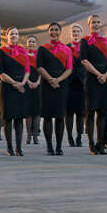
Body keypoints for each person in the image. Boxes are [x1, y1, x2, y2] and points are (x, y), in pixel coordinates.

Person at [37, 22, 73, 155]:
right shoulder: (42, 49)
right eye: (51, 30)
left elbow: (69, 69)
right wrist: (51, 79)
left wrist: (58, 80)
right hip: (46, 85)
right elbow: (39, 67)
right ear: (48, 32)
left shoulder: (67, 49)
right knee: (47, 117)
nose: (54, 32)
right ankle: (49, 146)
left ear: (60, 31)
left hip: (61, 85)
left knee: (59, 117)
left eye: (56, 30)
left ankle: (58, 146)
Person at [79, 14, 107, 155]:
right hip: (92, 80)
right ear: (89, 24)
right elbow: (84, 61)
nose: (96, 24)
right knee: (91, 112)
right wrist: (98, 74)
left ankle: (101, 144)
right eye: (93, 22)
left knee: (103, 112)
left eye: (98, 22)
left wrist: (106, 74)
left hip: (104, 80)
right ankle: (92, 144)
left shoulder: (105, 41)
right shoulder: (85, 41)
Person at [0, 27, 30, 156]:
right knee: (8, 119)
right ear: (7, 36)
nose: (14, 36)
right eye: (11, 34)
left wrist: (22, 83)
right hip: (7, 87)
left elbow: (27, 70)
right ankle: (9, 147)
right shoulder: (1, 51)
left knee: (19, 119)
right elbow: (0, 72)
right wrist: (14, 83)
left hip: (21, 88)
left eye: (16, 34)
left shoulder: (23, 51)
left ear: (18, 36)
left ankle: (19, 147)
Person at [66, 23, 86, 147]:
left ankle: (79, 137)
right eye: (73, 31)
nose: (75, 33)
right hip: (69, 83)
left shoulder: (85, 47)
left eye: (78, 31)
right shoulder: (66, 47)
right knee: (69, 113)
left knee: (80, 113)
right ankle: (69, 137)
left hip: (82, 83)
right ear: (70, 34)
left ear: (81, 33)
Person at [24, 35, 42, 146]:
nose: (31, 43)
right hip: (27, 83)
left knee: (37, 113)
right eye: (29, 42)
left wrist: (38, 82)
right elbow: (23, 70)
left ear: (36, 43)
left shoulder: (39, 56)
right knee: (28, 113)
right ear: (27, 43)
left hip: (38, 85)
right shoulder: (24, 55)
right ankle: (29, 136)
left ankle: (35, 136)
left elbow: (41, 70)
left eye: (33, 42)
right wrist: (29, 82)